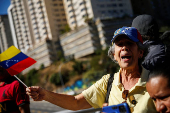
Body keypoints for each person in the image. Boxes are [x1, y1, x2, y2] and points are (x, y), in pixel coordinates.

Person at [26, 27, 157, 113]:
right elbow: (75, 102)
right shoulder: (108, 82)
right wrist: (45, 95)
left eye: (129, 43)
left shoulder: (154, 80)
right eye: (120, 44)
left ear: (140, 52)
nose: (124, 47)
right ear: (114, 55)